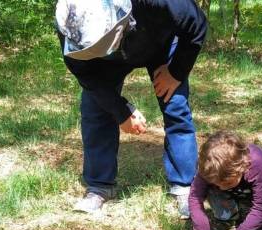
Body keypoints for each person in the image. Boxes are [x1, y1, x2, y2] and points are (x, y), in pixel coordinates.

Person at [55, 0, 207, 216]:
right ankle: (99, 186)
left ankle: (185, 187)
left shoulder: (159, 2)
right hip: (106, 63)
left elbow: (196, 24)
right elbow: (86, 75)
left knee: (175, 106)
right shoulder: (67, 21)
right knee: (95, 110)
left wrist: (176, 73)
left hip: (161, 40)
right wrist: (121, 111)